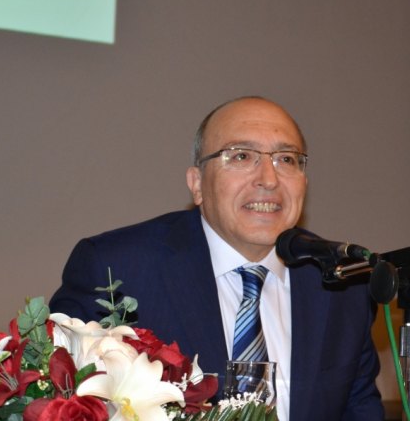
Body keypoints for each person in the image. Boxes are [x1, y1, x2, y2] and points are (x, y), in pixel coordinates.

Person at [49, 96, 384, 420]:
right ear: (197, 184)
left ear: (304, 182)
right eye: (241, 156)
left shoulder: (343, 284)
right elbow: (56, 402)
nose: (268, 179)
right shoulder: (115, 269)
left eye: (286, 159)